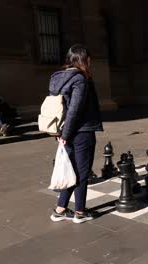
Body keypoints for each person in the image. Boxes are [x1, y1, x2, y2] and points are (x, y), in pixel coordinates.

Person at [49, 44, 103, 224]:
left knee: (70, 170)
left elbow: (57, 107)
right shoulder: (80, 79)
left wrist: (60, 132)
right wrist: (66, 133)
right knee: (81, 172)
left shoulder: (57, 77)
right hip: (81, 131)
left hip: (65, 131)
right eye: (88, 58)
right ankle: (80, 212)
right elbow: (74, 109)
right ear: (82, 59)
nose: (90, 62)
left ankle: (60, 209)